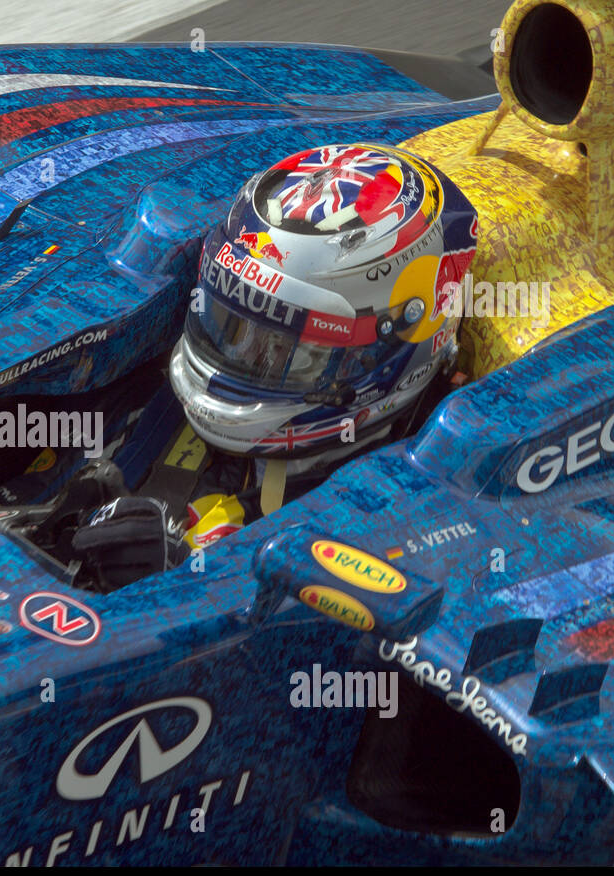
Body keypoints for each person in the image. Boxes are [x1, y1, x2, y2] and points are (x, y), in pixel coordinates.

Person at [58, 142, 479, 590]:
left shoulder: (413, 504)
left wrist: (180, 581)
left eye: (290, 350)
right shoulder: (139, 411)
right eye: (231, 328)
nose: (249, 357)